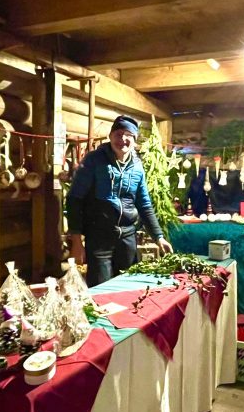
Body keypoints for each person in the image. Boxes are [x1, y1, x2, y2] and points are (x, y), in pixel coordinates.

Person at [66, 115, 174, 286]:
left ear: (135, 140)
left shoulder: (137, 166)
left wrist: (158, 237)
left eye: (128, 135)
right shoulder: (94, 160)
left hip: (127, 238)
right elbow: (74, 199)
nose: (123, 139)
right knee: (101, 289)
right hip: (99, 238)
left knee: (127, 287)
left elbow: (144, 204)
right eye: (118, 134)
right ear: (110, 136)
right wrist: (77, 240)